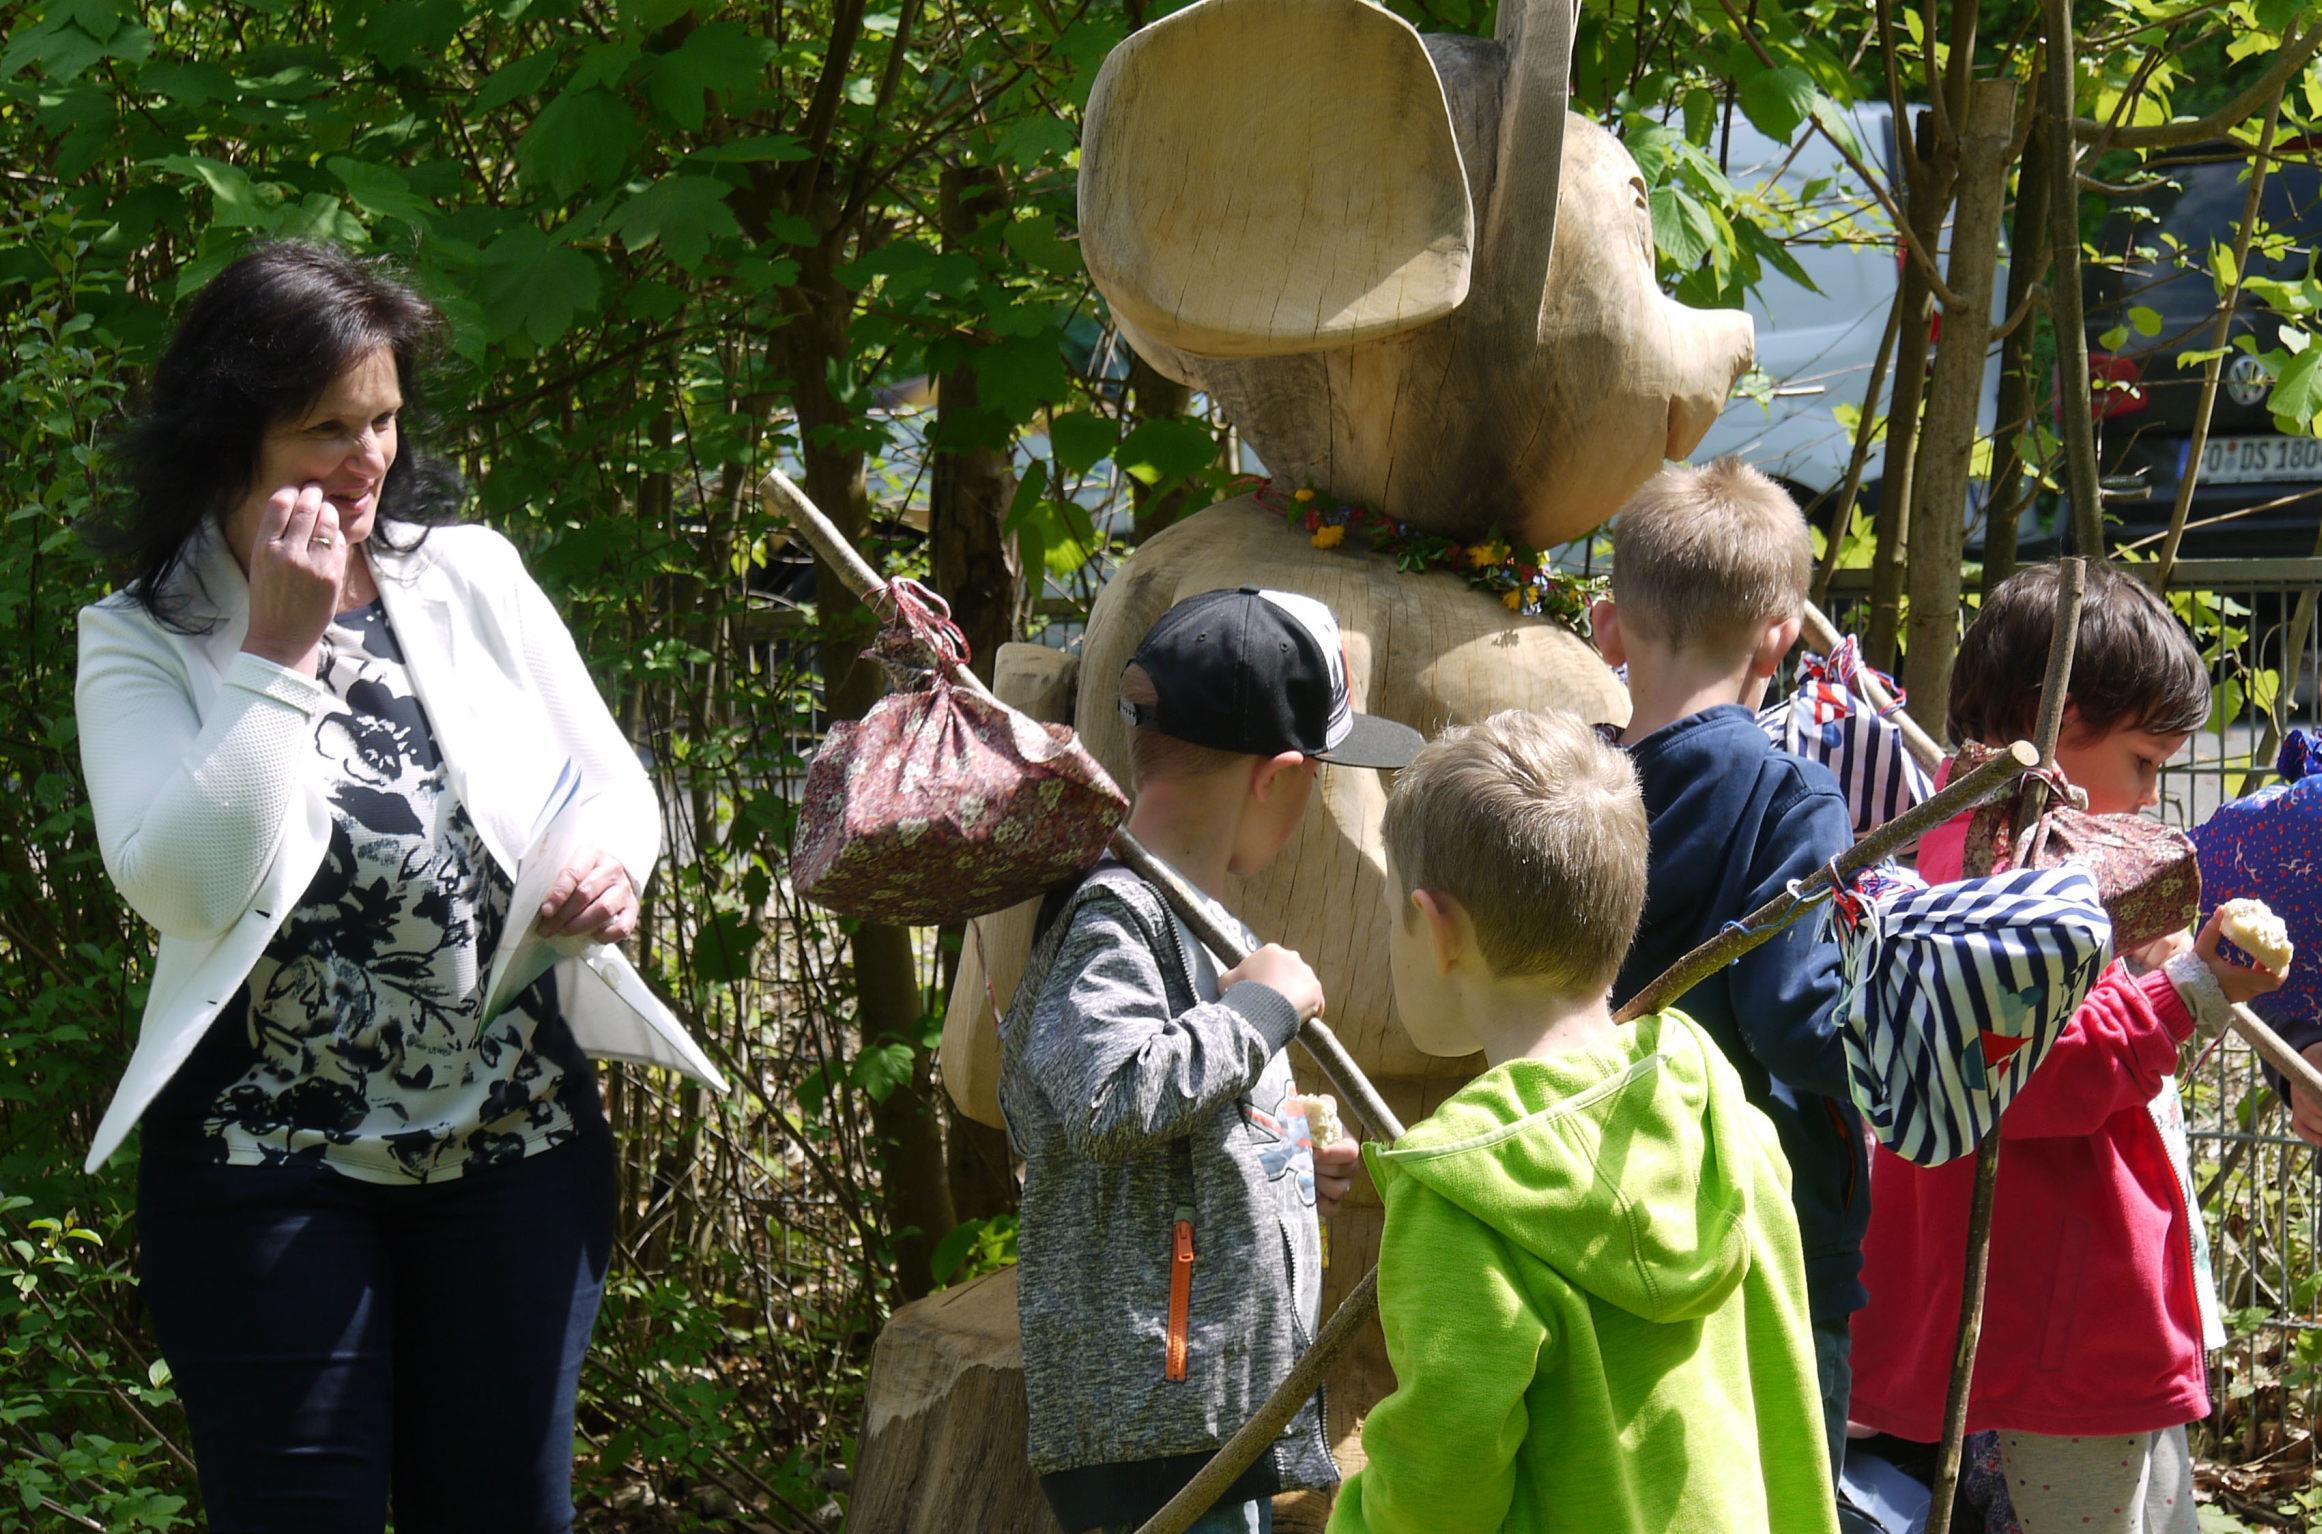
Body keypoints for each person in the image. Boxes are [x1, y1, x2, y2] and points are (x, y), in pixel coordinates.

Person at [75, 239, 723, 1534]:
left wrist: (611, 864)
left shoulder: (468, 573)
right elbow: (186, 886)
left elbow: (617, 783)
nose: (368, 454)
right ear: (231, 433)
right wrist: (278, 644)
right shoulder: (139, 635)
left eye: (382, 416)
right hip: (267, 1169)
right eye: (326, 426)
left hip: (517, 1155)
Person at [1848, 562, 2283, 1534]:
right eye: (2143, 761)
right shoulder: (2002, 869)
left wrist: (2171, 987)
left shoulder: (1970, 839)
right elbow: (2044, 1071)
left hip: (2053, 1317)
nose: (2148, 796)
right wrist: (2196, 989)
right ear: (2062, 720)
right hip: (2056, 1326)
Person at [1329, 708, 1837, 1534]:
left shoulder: (1461, 1197)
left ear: (1440, 929)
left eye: (1397, 919)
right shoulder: (1727, 1121)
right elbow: (1785, 1397)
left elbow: (1437, 1497)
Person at [998, 587, 1419, 1534]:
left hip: (1214, 1408)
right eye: (1320, 776)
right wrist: (1260, 1011)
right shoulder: (1115, 915)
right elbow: (1107, 1098)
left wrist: (1281, 1162)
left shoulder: (1193, 914)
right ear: (1275, 779)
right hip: (1152, 1417)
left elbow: (1178, 1133)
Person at [1587, 457, 1871, 1504]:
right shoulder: (1791, 793)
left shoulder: (1572, 790)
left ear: (1608, 628)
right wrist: (1902, 1047)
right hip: (1766, 1236)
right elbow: (1798, 1015)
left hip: (1604, 1207)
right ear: (1780, 636)